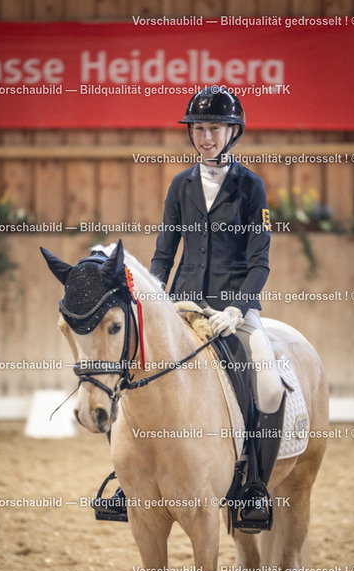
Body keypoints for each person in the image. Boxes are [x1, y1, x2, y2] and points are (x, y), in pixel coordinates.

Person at [99, 86, 286, 530]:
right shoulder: (180, 186)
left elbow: (260, 263)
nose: (206, 137)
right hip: (182, 306)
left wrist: (237, 310)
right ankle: (129, 479)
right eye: (199, 129)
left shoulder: (251, 187)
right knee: (133, 372)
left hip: (233, 311)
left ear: (232, 132)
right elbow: (164, 255)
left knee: (269, 386)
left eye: (215, 129)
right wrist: (155, 300)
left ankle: (253, 486)